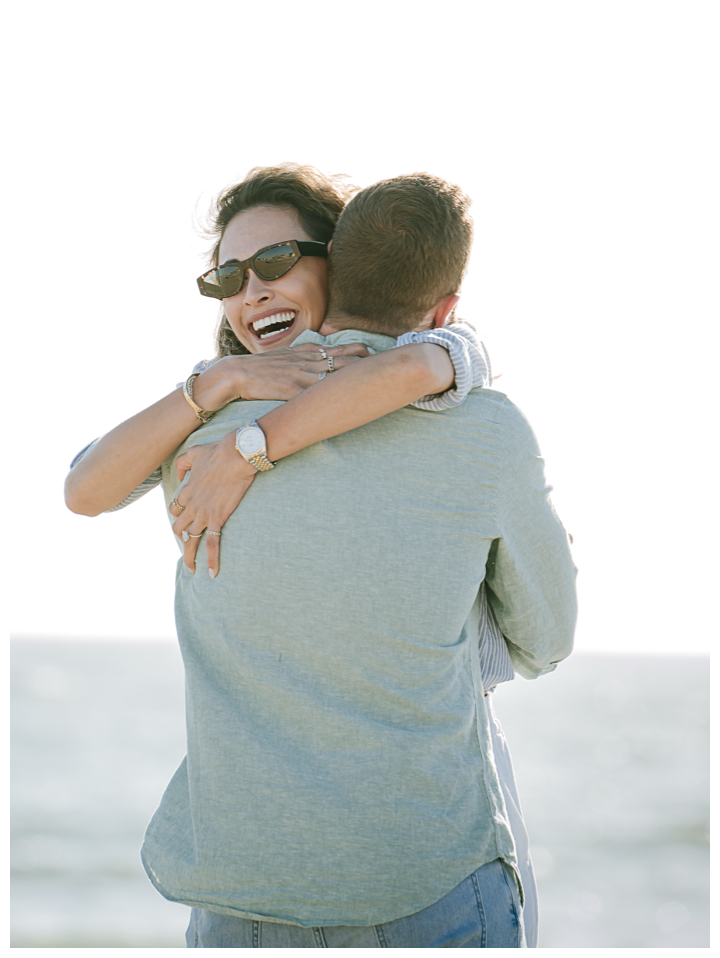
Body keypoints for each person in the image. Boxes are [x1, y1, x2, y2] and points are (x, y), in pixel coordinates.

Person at [66, 166, 576, 946]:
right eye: (227, 277)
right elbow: (546, 640)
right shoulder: (481, 423)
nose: (253, 291)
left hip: (255, 894)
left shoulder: (195, 443)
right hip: (427, 874)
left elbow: (92, 485)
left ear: (339, 258)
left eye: (274, 263)